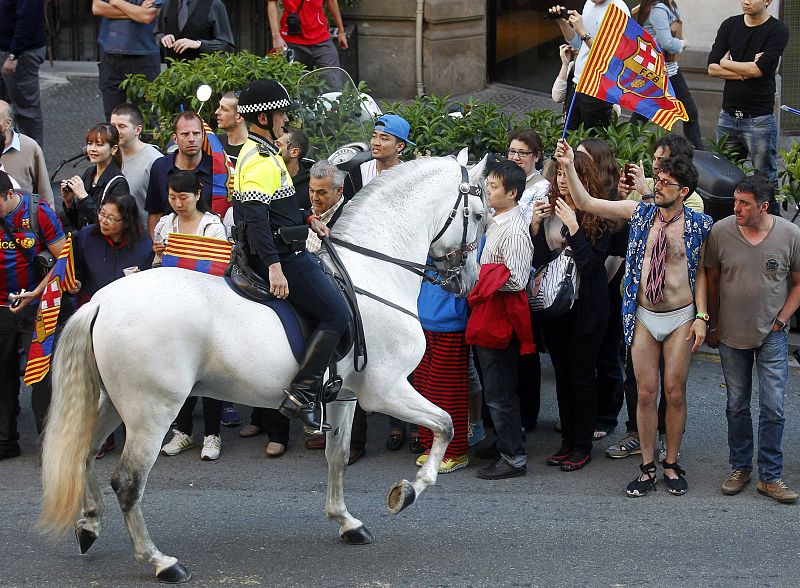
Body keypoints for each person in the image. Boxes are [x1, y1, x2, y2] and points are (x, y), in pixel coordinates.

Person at [554, 138, 712, 497]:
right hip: (643, 314)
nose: (657, 187)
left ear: (683, 191)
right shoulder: (639, 213)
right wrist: (566, 166)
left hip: (681, 317)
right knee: (644, 393)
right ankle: (646, 466)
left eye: (665, 182)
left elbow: (703, 273)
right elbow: (586, 202)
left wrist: (702, 315)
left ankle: (671, 462)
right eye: (656, 180)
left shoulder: (701, 225)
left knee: (673, 392)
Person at [231, 79, 349, 432]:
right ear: (264, 118)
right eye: (280, 113)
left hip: (290, 245)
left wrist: (308, 218)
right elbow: (255, 220)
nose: (285, 120)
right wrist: (274, 268)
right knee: (336, 313)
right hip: (284, 256)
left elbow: (279, 209)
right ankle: (301, 394)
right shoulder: (259, 160)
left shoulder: (267, 154)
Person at [607, 133, 704, 460]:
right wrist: (622, 193)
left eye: (663, 163)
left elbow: (701, 265)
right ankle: (638, 437)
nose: (656, 168)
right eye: (655, 161)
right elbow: (620, 229)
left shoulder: (692, 202)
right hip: (639, 306)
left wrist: (648, 191)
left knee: (673, 388)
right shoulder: (647, 189)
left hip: (678, 312)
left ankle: (667, 442)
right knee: (638, 383)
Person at [705, 175, 800, 504]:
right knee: (737, 405)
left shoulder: (790, 234)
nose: (736, 208)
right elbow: (711, 279)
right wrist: (713, 325)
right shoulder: (720, 232)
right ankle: (740, 468)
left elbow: (799, 282)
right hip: (731, 334)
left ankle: (770, 476)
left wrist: (782, 319)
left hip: (772, 334)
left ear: (764, 206)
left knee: (774, 407)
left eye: (744, 203)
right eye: (735, 201)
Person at [533, 151, 612, 472]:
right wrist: (536, 227)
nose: (562, 181)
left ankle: (582, 445)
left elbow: (594, 270)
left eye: (570, 175)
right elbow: (539, 262)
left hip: (587, 309)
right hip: (555, 307)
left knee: (582, 377)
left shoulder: (599, 213)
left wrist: (575, 229)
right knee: (562, 377)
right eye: (560, 175)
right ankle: (566, 441)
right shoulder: (551, 207)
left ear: (584, 179)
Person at [468, 160, 535, 480]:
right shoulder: (495, 219)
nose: (488, 191)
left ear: (513, 193)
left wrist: (483, 279)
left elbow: (518, 279)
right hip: (488, 312)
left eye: (494, 187)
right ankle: (503, 441)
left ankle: (514, 457)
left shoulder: (515, 228)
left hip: (499, 318)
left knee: (499, 389)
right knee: (494, 384)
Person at [157, 171, 227, 460]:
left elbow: (218, 265)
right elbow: (160, 263)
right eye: (172, 197)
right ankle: (182, 431)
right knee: (178, 374)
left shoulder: (212, 226)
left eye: (183, 197)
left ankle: (212, 435)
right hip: (173, 309)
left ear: (198, 193)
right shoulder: (164, 224)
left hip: (208, 308)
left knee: (210, 374)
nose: (178, 203)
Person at [0, 170, 66, 459]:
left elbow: (63, 257)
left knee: (40, 375)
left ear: (10, 195)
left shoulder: (38, 212)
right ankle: (6, 441)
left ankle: (50, 444)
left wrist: (36, 292)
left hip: (37, 306)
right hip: (2, 306)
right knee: (2, 374)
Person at [707, 0, 788, 202]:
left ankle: (772, 224)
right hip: (728, 116)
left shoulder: (777, 30)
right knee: (724, 176)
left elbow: (759, 69)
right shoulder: (730, 25)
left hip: (758, 119)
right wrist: (746, 70)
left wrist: (727, 63)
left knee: (765, 179)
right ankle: (730, 220)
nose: (746, 1)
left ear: (768, 1)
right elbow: (711, 68)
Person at [576, 138, 626, 441]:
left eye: (583, 159)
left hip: (606, 288)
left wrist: (595, 285)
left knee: (607, 355)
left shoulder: (610, 200)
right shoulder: (581, 194)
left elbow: (616, 256)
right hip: (585, 287)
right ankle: (583, 414)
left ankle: (606, 417)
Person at [505, 129, 548, 433]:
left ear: (536, 157)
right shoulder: (500, 180)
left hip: (526, 272)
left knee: (525, 348)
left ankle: (527, 416)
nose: (516, 158)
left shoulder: (542, 188)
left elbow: (534, 233)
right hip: (497, 271)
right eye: (512, 151)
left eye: (522, 153)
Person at [549, 0, 631, 131]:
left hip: (598, 89)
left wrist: (583, 32)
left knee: (592, 146)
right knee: (568, 140)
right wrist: (561, 21)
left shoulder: (618, 10)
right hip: (578, 83)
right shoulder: (589, 4)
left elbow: (610, 57)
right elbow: (578, 44)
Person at [631, 1, 702, 150]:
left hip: (663, 69)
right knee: (688, 113)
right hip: (662, 72)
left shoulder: (668, 5)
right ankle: (699, 157)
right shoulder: (659, 9)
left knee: (641, 115)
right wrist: (682, 43)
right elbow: (667, 43)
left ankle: (627, 149)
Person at [92, 0, 164, 121]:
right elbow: (97, 8)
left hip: (144, 56)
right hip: (111, 54)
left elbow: (147, 16)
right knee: (112, 119)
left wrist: (116, 2)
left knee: (147, 117)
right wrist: (136, 11)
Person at [145, 111, 213, 237]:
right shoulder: (160, 168)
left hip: (208, 245)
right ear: (175, 138)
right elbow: (155, 212)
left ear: (203, 136)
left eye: (196, 133)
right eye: (185, 134)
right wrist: (156, 244)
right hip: (169, 245)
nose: (191, 139)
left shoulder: (217, 168)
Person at [61, 124, 130, 233]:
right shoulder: (89, 173)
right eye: (89, 144)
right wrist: (69, 203)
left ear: (114, 149)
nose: (92, 149)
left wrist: (83, 196)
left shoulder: (119, 183)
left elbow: (109, 224)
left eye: (99, 144)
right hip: (85, 241)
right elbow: (78, 222)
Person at [0, 0, 46, 147]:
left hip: (21, 55)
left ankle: (31, 159)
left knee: (26, 111)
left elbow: (27, 19)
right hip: (9, 51)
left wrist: (14, 54)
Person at [110, 103, 163, 227]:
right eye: (113, 126)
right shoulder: (109, 154)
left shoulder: (154, 161)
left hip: (140, 236)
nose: (115, 131)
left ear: (138, 130)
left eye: (122, 126)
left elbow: (161, 208)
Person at [342, 114, 414, 201]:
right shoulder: (358, 174)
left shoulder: (410, 176)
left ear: (400, 146)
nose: (376, 143)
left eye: (384, 139)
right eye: (374, 136)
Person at [267, 0, 348, 70]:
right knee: (286, 81)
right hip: (291, 40)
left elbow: (331, 1)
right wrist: (276, 36)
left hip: (321, 38)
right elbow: (272, 3)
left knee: (333, 83)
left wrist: (341, 32)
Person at [0, 101, 52, 206]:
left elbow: (44, 191)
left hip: (23, 218)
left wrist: (49, 217)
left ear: (8, 123)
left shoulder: (29, 147)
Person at [156, 0, 235, 62]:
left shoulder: (214, 4)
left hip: (205, 76)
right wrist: (163, 38)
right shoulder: (168, 4)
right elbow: (158, 33)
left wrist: (199, 44)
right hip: (174, 76)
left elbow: (227, 46)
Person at [275, 127, 311, 210]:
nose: (272, 148)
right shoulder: (267, 177)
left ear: (294, 152)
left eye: (278, 145)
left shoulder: (312, 185)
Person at [215, 91, 248, 166]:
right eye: (219, 107)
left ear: (239, 117)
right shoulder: (215, 142)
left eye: (224, 109)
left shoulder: (253, 149)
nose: (217, 112)